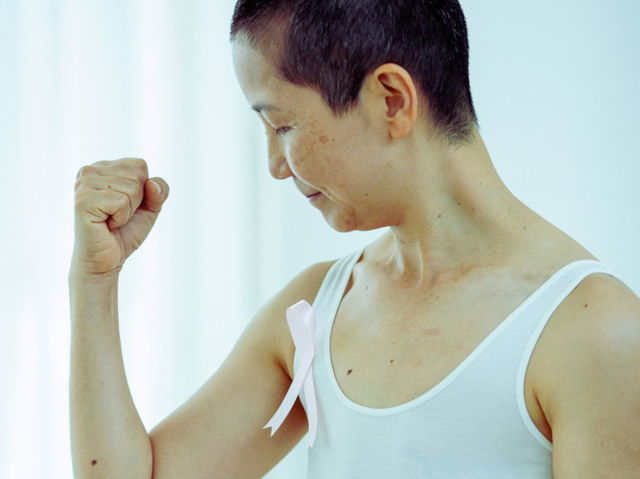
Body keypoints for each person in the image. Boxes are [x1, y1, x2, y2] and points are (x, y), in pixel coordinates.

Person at [69, 1, 640, 478]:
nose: (275, 164)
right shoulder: (316, 308)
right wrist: (94, 282)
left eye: (282, 125)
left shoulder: (592, 333)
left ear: (391, 99)